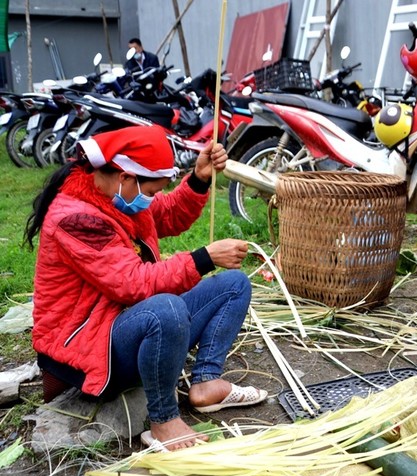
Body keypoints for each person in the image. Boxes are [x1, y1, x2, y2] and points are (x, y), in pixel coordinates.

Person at [24, 127, 266, 451]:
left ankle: (206, 381)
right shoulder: (77, 218)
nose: (151, 200)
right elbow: (134, 284)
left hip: (121, 325)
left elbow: (167, 214)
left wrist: (199, 178)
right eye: (150, 191)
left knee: (234, 285)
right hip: (87, 349)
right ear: (126, 177)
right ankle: (163, 421)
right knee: (165, 309)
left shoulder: (118, 198)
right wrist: (203, 258)